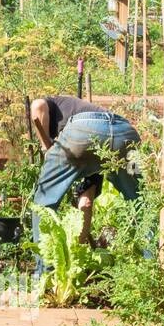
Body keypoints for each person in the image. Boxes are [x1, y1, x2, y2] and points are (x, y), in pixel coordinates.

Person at [28, 95, 142, 253]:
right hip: (127, 135)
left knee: (43, 204)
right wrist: (78, 252)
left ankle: (43, 271)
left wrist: (45, 147)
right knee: (140, 201)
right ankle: (153, 260)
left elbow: (37, 104)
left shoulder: (53, 104)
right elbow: (86, 202)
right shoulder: (94, 158)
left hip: (83, 132)